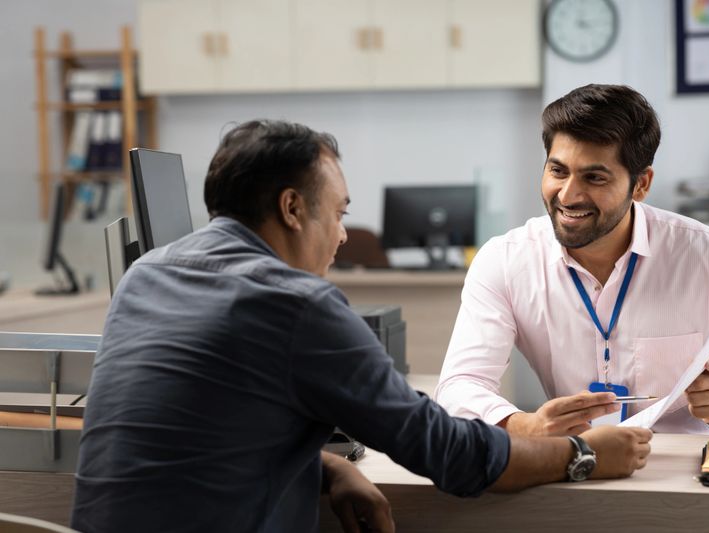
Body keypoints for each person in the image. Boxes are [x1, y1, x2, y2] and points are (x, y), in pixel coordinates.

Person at [71, 120, 652, 533]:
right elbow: (449, 454)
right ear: (294, 209)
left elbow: (199, 433)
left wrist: (322, 467)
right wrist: (585, 454)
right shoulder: (298, 304)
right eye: (340, 212)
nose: (344, 235)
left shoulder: (145, 274)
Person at [435, 84, 709, 438]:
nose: (568, 195)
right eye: (558, 171)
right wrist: (526, 426)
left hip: (684, 476)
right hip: (575, 466)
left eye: (594, 177)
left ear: (641, 185)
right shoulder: (506, 261)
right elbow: (459, 387)